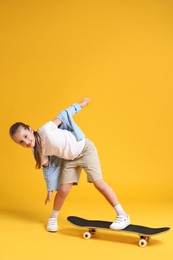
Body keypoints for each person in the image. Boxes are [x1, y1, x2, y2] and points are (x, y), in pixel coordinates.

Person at [9, 97, 130, 232]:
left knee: (99, 183)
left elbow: (64, 114)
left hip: (85, 150)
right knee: (63, 191)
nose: (26, 142)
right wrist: (49, 189)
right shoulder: (37, 152)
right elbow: (47, 169)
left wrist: (80, 105)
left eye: (25, 136)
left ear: (30, 130)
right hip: (70, 160)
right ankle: (53, 218)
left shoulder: (45, 130)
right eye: (21, 142)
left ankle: (122, 215)